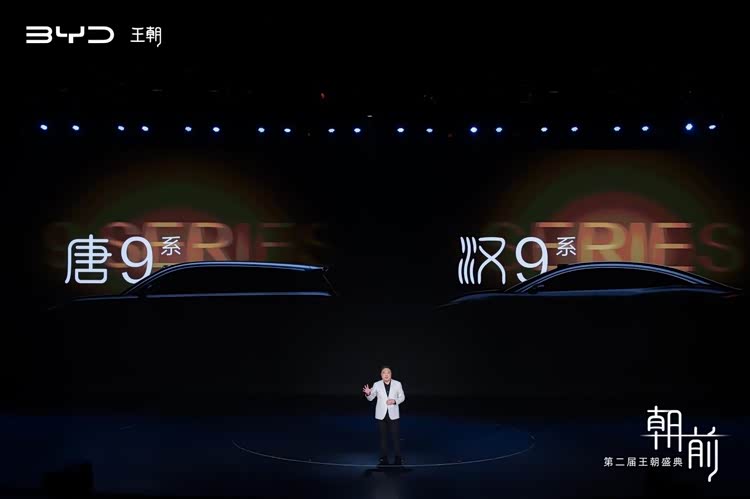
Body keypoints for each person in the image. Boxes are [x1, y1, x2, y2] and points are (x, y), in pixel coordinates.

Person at [362, 366, 406, 465]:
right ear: (381, 375)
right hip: (381, 415)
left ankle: (398, 457)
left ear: (391, 374)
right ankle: (383, 457)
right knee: (383, 437)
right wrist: (368, 394)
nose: (386, 374)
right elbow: (371, 398)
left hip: (393, 414)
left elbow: (402, 397)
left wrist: (394, 401)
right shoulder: (376, 384)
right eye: (384, 372)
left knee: (395, 437)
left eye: (388, 372)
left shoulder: (397, 384)